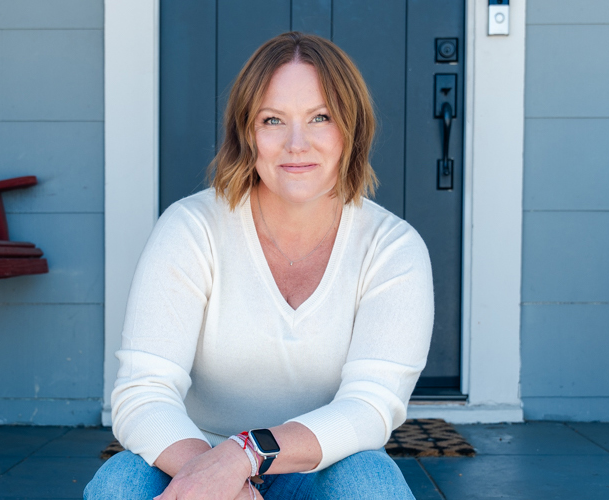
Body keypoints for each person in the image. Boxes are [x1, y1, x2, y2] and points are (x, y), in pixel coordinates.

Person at [86, 31, 434, 500]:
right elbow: (143, 392)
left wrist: (244, 455)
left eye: (320, 118)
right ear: (247, 133)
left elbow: (370, 406)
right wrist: (213, 476)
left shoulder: (392, 247)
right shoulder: (192, 228)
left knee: (370, 485)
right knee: (121, 485)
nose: (296, 143)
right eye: (273, 120)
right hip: (193, 452)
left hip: (324, 463)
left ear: (352, 128)